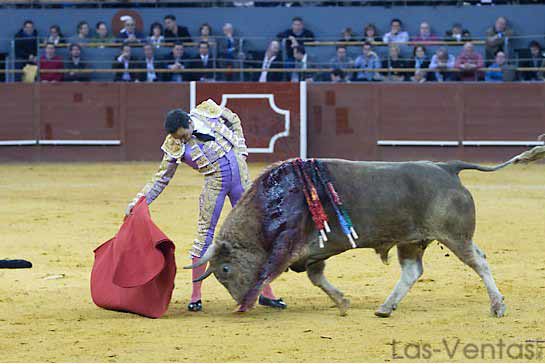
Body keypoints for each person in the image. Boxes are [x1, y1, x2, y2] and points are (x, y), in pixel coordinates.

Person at [125, 100, 287, 311]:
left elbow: (234, 119)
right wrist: (138, 201)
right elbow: (160, 178)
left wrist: (241, 148)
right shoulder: (174, 145)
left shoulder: (205, 111)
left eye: (185, 135)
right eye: (179, 138)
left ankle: (266, 293)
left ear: (190, 122)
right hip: (215, 185)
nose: (184, 140)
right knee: (204, 236)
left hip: (242, 179)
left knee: (258, 234)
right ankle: (195, 296)